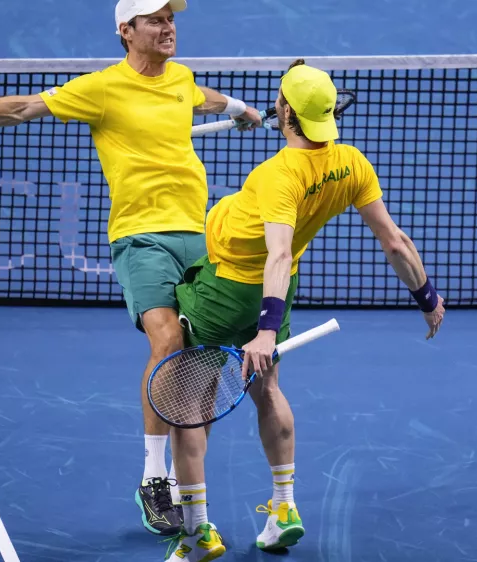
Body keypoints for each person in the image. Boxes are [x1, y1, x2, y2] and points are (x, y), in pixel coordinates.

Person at [0, 0, 263, 538]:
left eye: (171, 19)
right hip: (141, 238)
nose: (168, 28)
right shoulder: (101, 89)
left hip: (200, 235)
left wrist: (238, 108)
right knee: (166, 344)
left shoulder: (180, 79)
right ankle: (154, 478)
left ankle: (193, 489)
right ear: (126, 30)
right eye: (156, 20)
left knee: (200, 365)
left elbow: (198, 98)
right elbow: (23, 108)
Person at [163, 59, 446, 561]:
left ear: (285, 110)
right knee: (267, 389)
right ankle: (284, 509)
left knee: (189, 409)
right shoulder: (352, 163)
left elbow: (275, 251)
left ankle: (196, 535)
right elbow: (396, 243)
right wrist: (427, 298)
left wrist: (266, 331)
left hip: (226, 291)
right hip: (281, 288)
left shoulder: (279, 176)